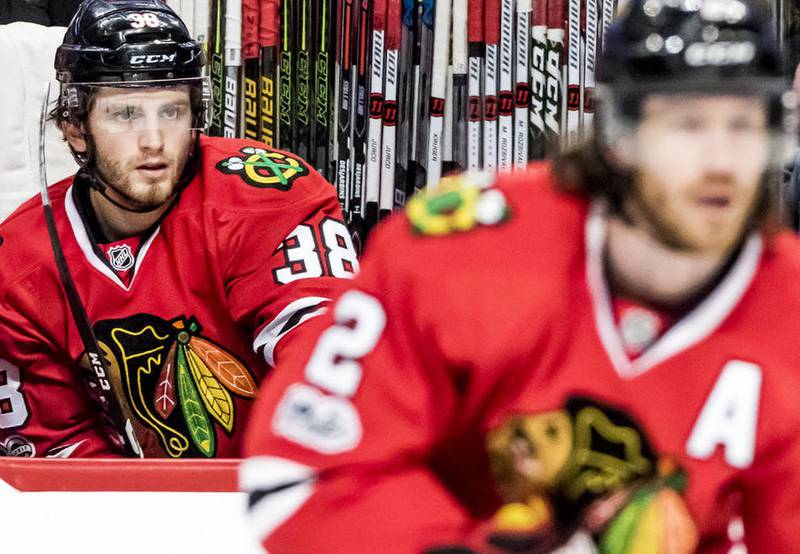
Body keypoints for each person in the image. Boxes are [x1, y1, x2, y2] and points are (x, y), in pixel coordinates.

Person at [241, 0, 800, 551]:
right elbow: (297, 477)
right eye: (688, 126)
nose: (722, 162)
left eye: (745, 126)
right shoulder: (462, 252)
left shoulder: (789, 307)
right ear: (619, 136)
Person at [0, 0, 358, 459]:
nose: (153, 140)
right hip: (124, 514)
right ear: (75, 127)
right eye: (125, 114)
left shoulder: (266, 194)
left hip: (277, 487)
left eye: (171, 112)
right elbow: (62, 453)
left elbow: (328, 356)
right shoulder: (18, 266)